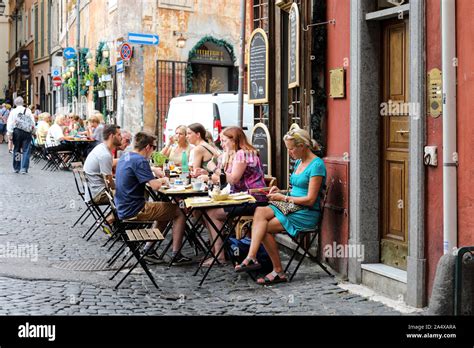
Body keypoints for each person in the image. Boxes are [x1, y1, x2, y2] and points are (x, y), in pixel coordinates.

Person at [234, 128, 326, 285]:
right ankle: (254, 259)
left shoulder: (316, 165)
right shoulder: (299, 162)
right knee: (260, 214)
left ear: (303, 146)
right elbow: (296, 190)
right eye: (288, 149)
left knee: (262, 227)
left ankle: (274, 269)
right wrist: (281, 191)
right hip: (292, 206)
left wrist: (283, 197)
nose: (289, 152)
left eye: (291, 148)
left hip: (306, 212)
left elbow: (310, 199)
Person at [114, 132, 191, 263]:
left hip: (122, 207)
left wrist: (153, 170)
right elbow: (155, 186)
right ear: (148, 147)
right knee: (179, 211)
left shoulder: (126, 156)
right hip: (135, 209)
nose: (153, 151)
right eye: (154, 148)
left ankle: (149, 249)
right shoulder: (140, 160)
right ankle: (176, 254)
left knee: (165, 208)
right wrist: (164, 179)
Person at [200, 126, 267, 267]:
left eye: (224, 141)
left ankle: (219, 254)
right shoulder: (238, 153)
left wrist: (213, 169)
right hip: (242, 197)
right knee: (206, 211)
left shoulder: (243, 154)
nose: (222, 144)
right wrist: (210, 176)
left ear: (234, 140)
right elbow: (226, 179)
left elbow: (233, 179)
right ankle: (218, 251)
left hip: (252, 199)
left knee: (212, 213)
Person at [84, 124, 122, 207]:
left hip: (92, 192)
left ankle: (117, 217)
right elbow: (109, 182)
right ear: (112, 136)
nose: (121, 137)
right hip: (98, 195)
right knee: (133, 194)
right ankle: (117, 218)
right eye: (119, 135)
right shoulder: (105, 154)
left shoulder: (102, 148)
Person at [6, 97, 36, 174]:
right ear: (23, 103)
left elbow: (10, 123)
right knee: (26, 150)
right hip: (26, 132)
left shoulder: (13, 111)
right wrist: (33, 131)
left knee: (17, 149)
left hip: (17, 132)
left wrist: (10, 133)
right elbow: (32, 122)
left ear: (15, 103)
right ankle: (24, 168)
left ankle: (17, 167)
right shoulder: (28, 111)